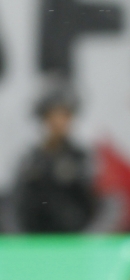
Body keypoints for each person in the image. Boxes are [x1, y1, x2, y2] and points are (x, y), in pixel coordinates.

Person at [12, 87, 98, 234]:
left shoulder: (82, 158)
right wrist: (17, 236)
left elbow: (106, 203)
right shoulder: (30, 160)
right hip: (34, 243)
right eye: (52, 115)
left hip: (75, 242)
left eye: (65, 115)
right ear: (43, 118)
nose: (58, 122)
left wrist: (91, 235)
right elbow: (13, 204)